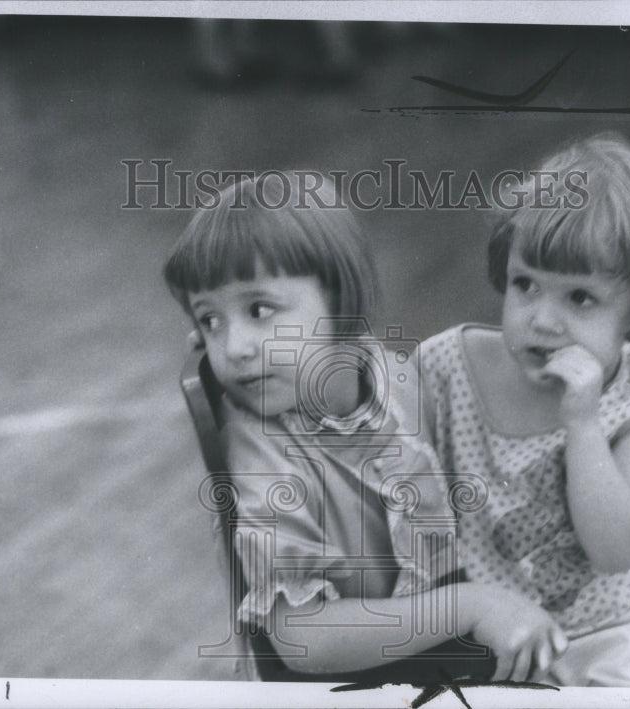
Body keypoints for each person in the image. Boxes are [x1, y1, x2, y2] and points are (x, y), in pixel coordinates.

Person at [164, 175, 568, 682]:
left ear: (339, 302)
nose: (235, 346)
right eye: (211, 321)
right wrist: (470, 606)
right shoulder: (261, 451)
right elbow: (299, 638)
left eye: (259, 310)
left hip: (424, 650)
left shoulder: (390, 375)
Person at [419, 134, 630, 687]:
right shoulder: (445, 365)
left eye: (579, 298)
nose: (543, 320)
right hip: (485, 631)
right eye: (525, 284)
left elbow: (615, 549)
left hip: (612, 633)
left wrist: (583, 422)